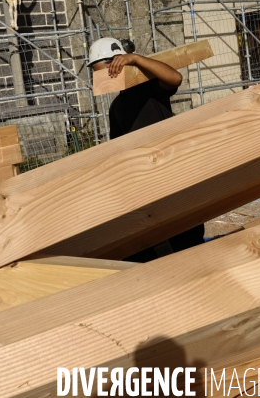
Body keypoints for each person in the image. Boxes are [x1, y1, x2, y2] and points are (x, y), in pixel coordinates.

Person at [88, 37, 205, 262]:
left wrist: (135, 59)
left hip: (173, 171)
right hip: (146, 180)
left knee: (188, 235)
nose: (99, 78)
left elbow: (175, 78)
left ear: (117, 63)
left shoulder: (149, 88)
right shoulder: (117, 107)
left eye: (101, 70)